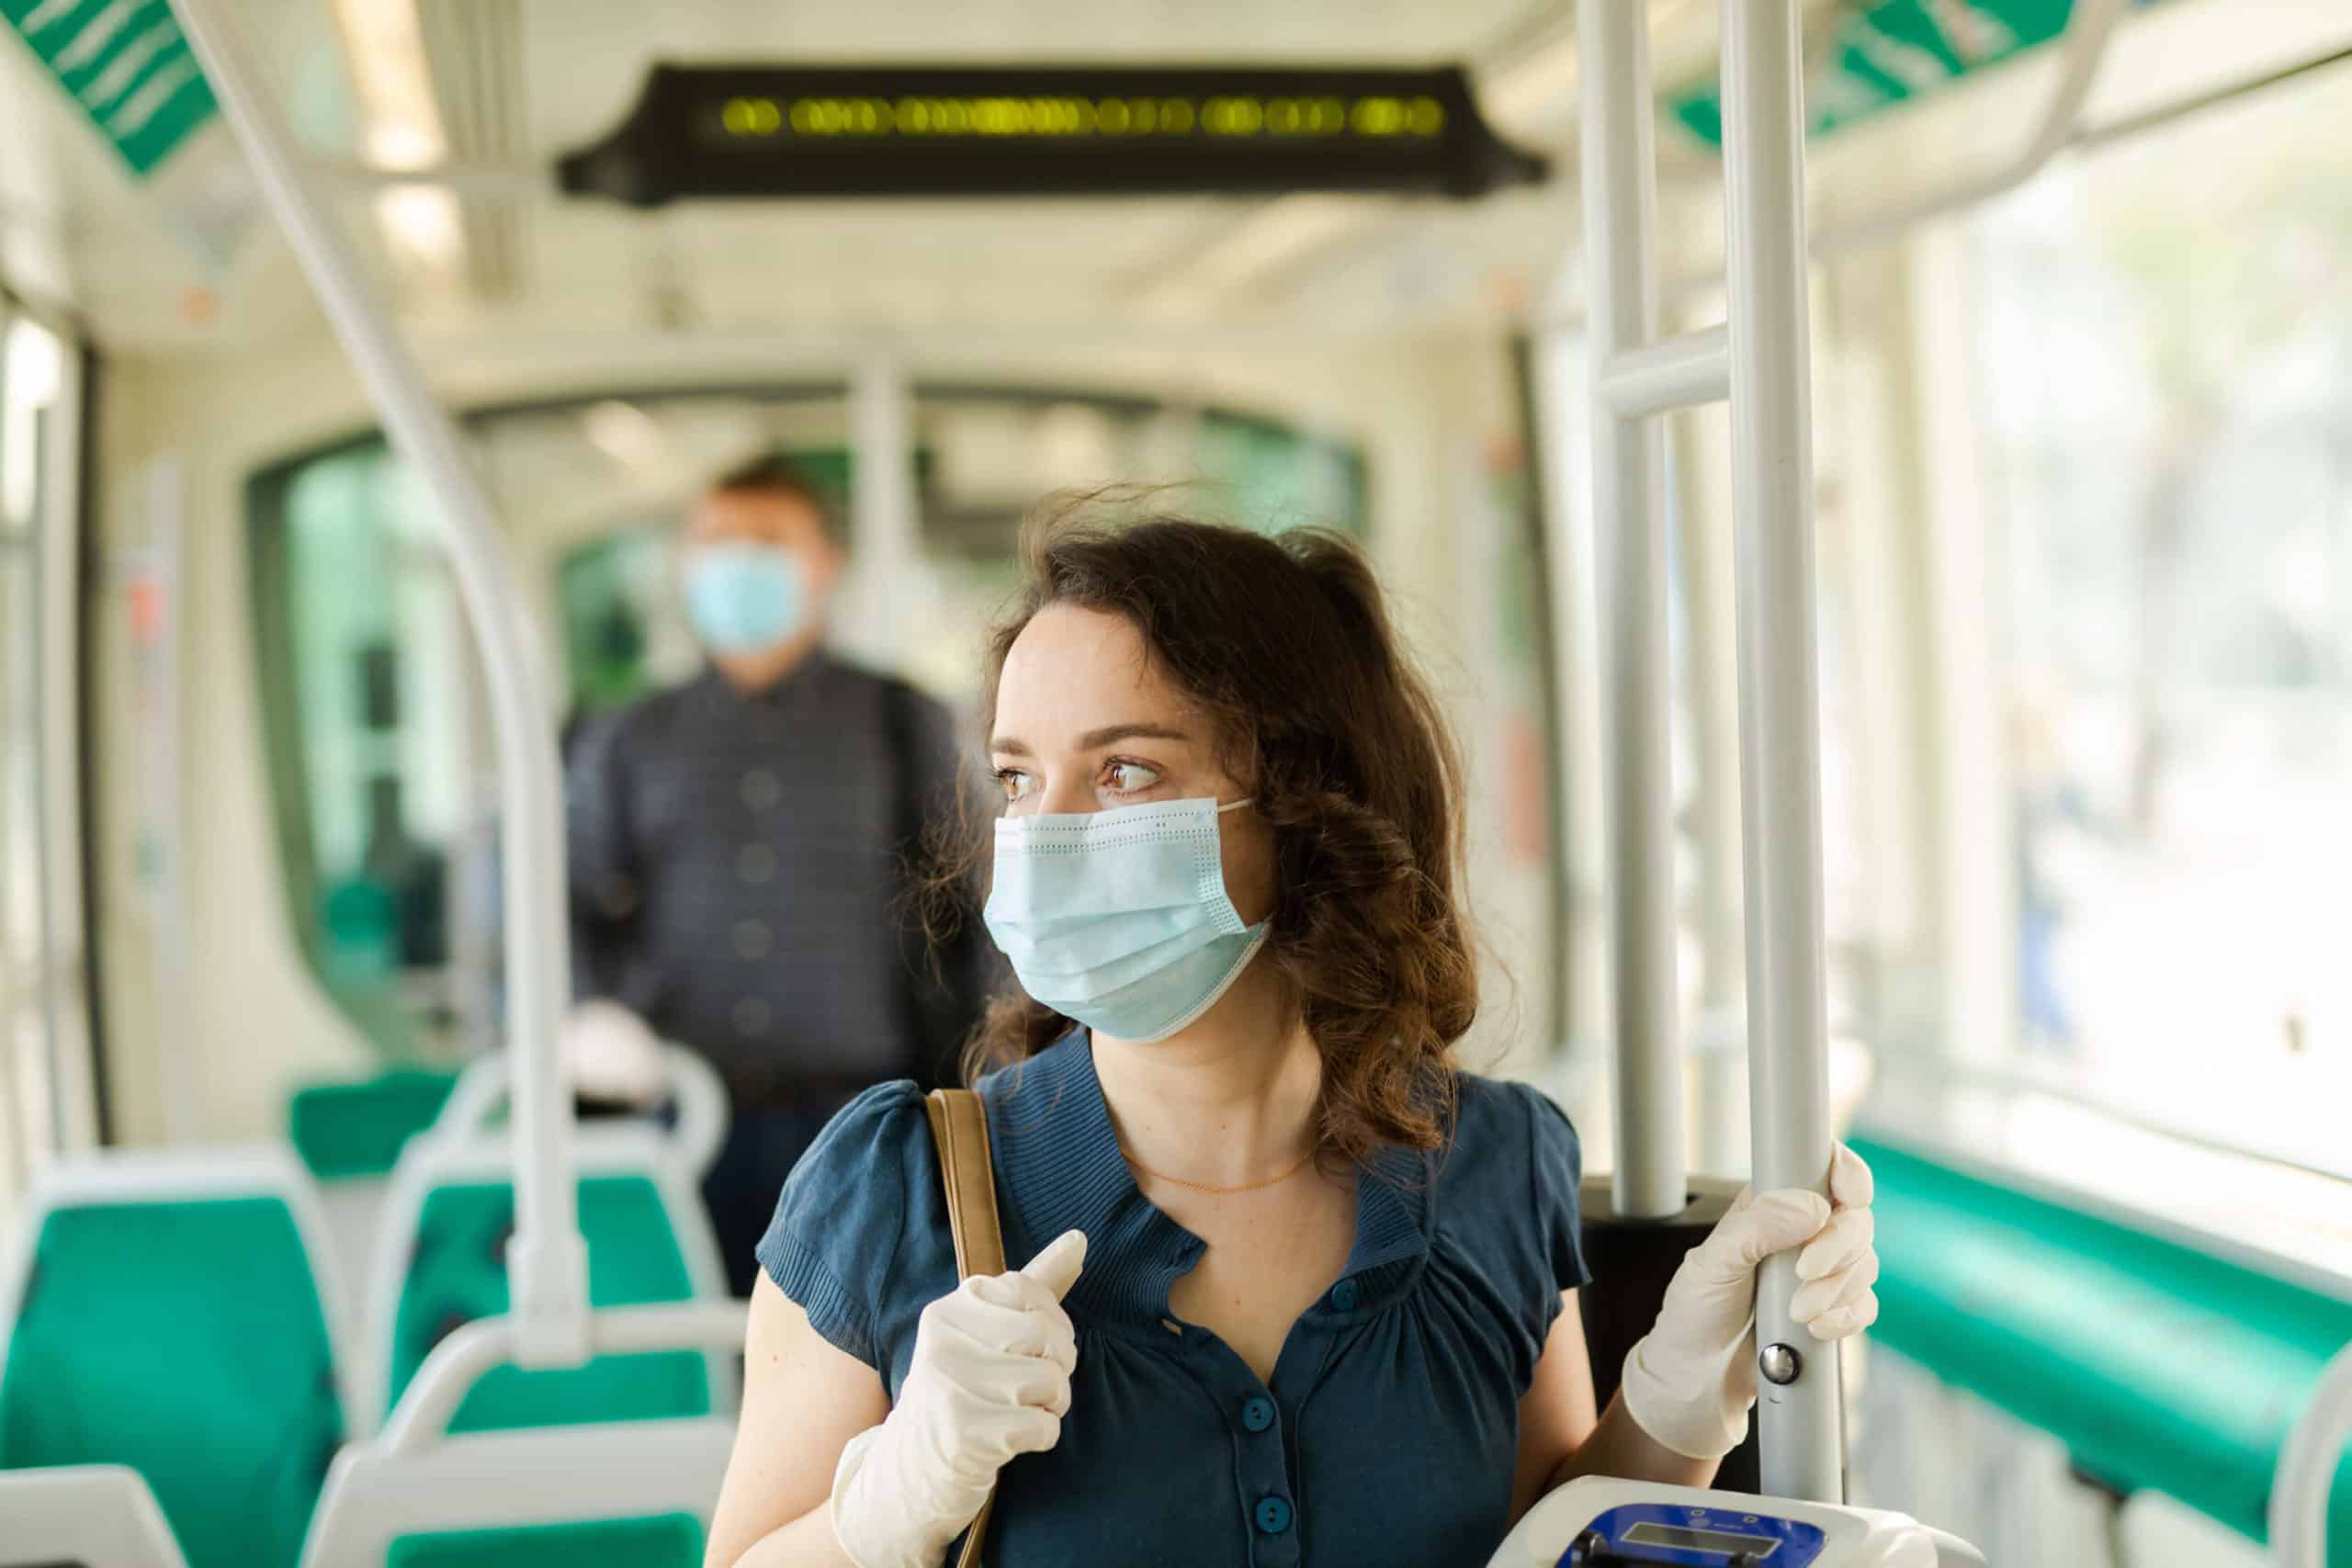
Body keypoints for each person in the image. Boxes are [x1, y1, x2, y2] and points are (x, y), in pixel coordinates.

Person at [704, 513, 1879, 1567]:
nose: (1044, 836)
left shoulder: (1491, 1165)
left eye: (1121, 772)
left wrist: (1678, 1401)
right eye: (1018, 780)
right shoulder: (891, 1192)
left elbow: (1548, 1543)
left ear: (1304, 807)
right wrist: (886, 1511)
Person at [565, 453, 993, 1298]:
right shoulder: (628, 739)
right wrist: (583, 1012)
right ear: (685, 562)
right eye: (718, 539)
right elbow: (562, 905)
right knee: (687, 1369)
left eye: (767, 540)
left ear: (823, 565)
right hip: (678, 1124)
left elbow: (972, 914)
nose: (738, 561)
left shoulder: (899, 721)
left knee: (862, 1381)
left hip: (863, 1124)